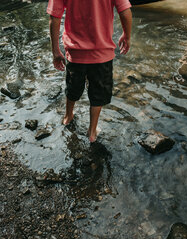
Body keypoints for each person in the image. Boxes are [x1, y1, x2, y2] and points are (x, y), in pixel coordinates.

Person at [47, 0, 132, 142]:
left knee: (73, 86)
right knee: (98, 93)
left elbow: (54, 17)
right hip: (102, 54)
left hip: (75, 53)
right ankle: (92, 132)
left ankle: (68, 117)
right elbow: (125, 11)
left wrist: (55, 51)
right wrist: (127, 36)